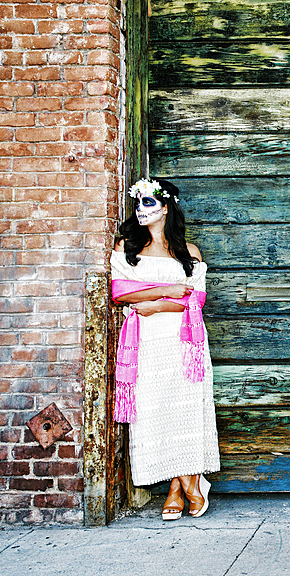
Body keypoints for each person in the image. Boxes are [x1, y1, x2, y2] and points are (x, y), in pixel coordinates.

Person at [110, 178, 220, 520]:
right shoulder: (126, 248)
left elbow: (195, 301)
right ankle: (188, 485)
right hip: (146, 344)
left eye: (148, 203)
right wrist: (169, 289)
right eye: (138, 203)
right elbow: (121, 293)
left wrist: (156, 303)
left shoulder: (190, 253)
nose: (141, 210)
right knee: (157, 409)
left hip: (185, 344)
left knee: (184, 409)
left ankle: (180, 487)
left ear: (166, 207)